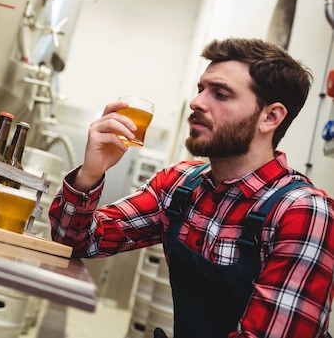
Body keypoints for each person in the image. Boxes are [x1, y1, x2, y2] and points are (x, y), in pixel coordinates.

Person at [49, 38, 334, 338]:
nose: (197, 102)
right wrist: (90, 174)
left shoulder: (303, 212)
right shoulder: (180, 185)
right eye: (201, 89)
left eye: (220, 94)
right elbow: (77, 242)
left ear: (270, 117)